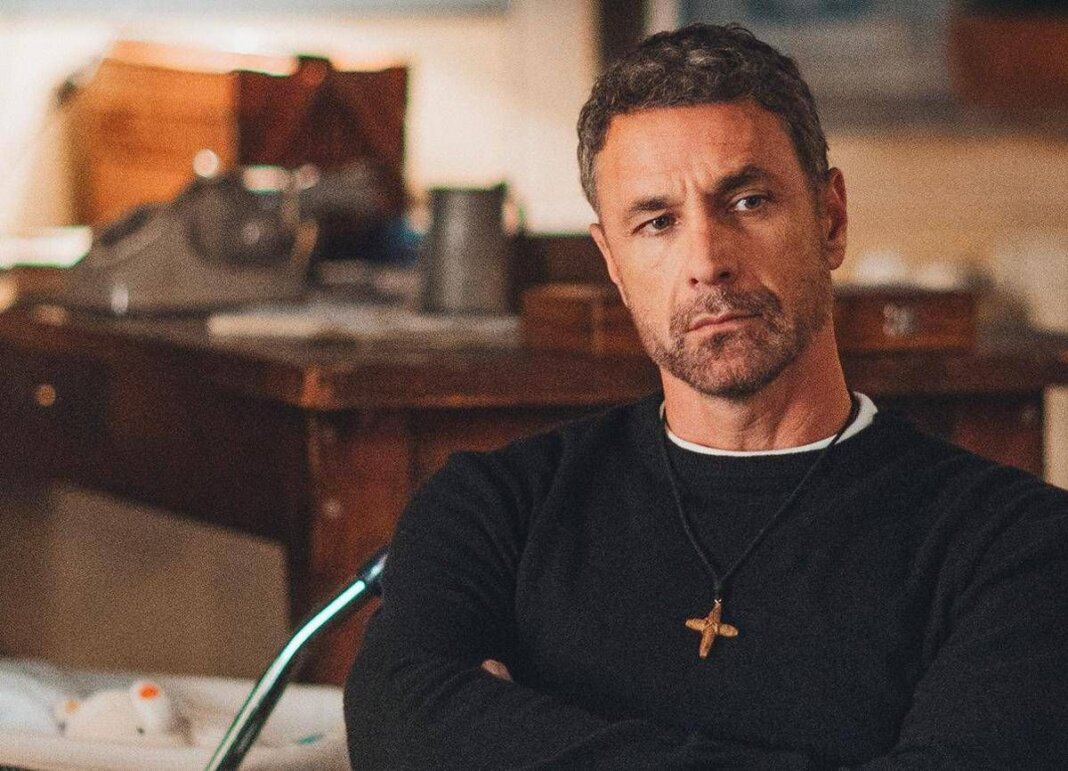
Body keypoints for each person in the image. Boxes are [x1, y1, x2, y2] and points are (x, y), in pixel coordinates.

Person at [345, 23, 1068, 769]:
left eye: (748, 201)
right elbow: (397, 725)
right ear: (613, 263)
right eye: (657, 221)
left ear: (830, 219)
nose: (707, 261)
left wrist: (510, 739)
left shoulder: (1017, 545)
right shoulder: (496, 507)